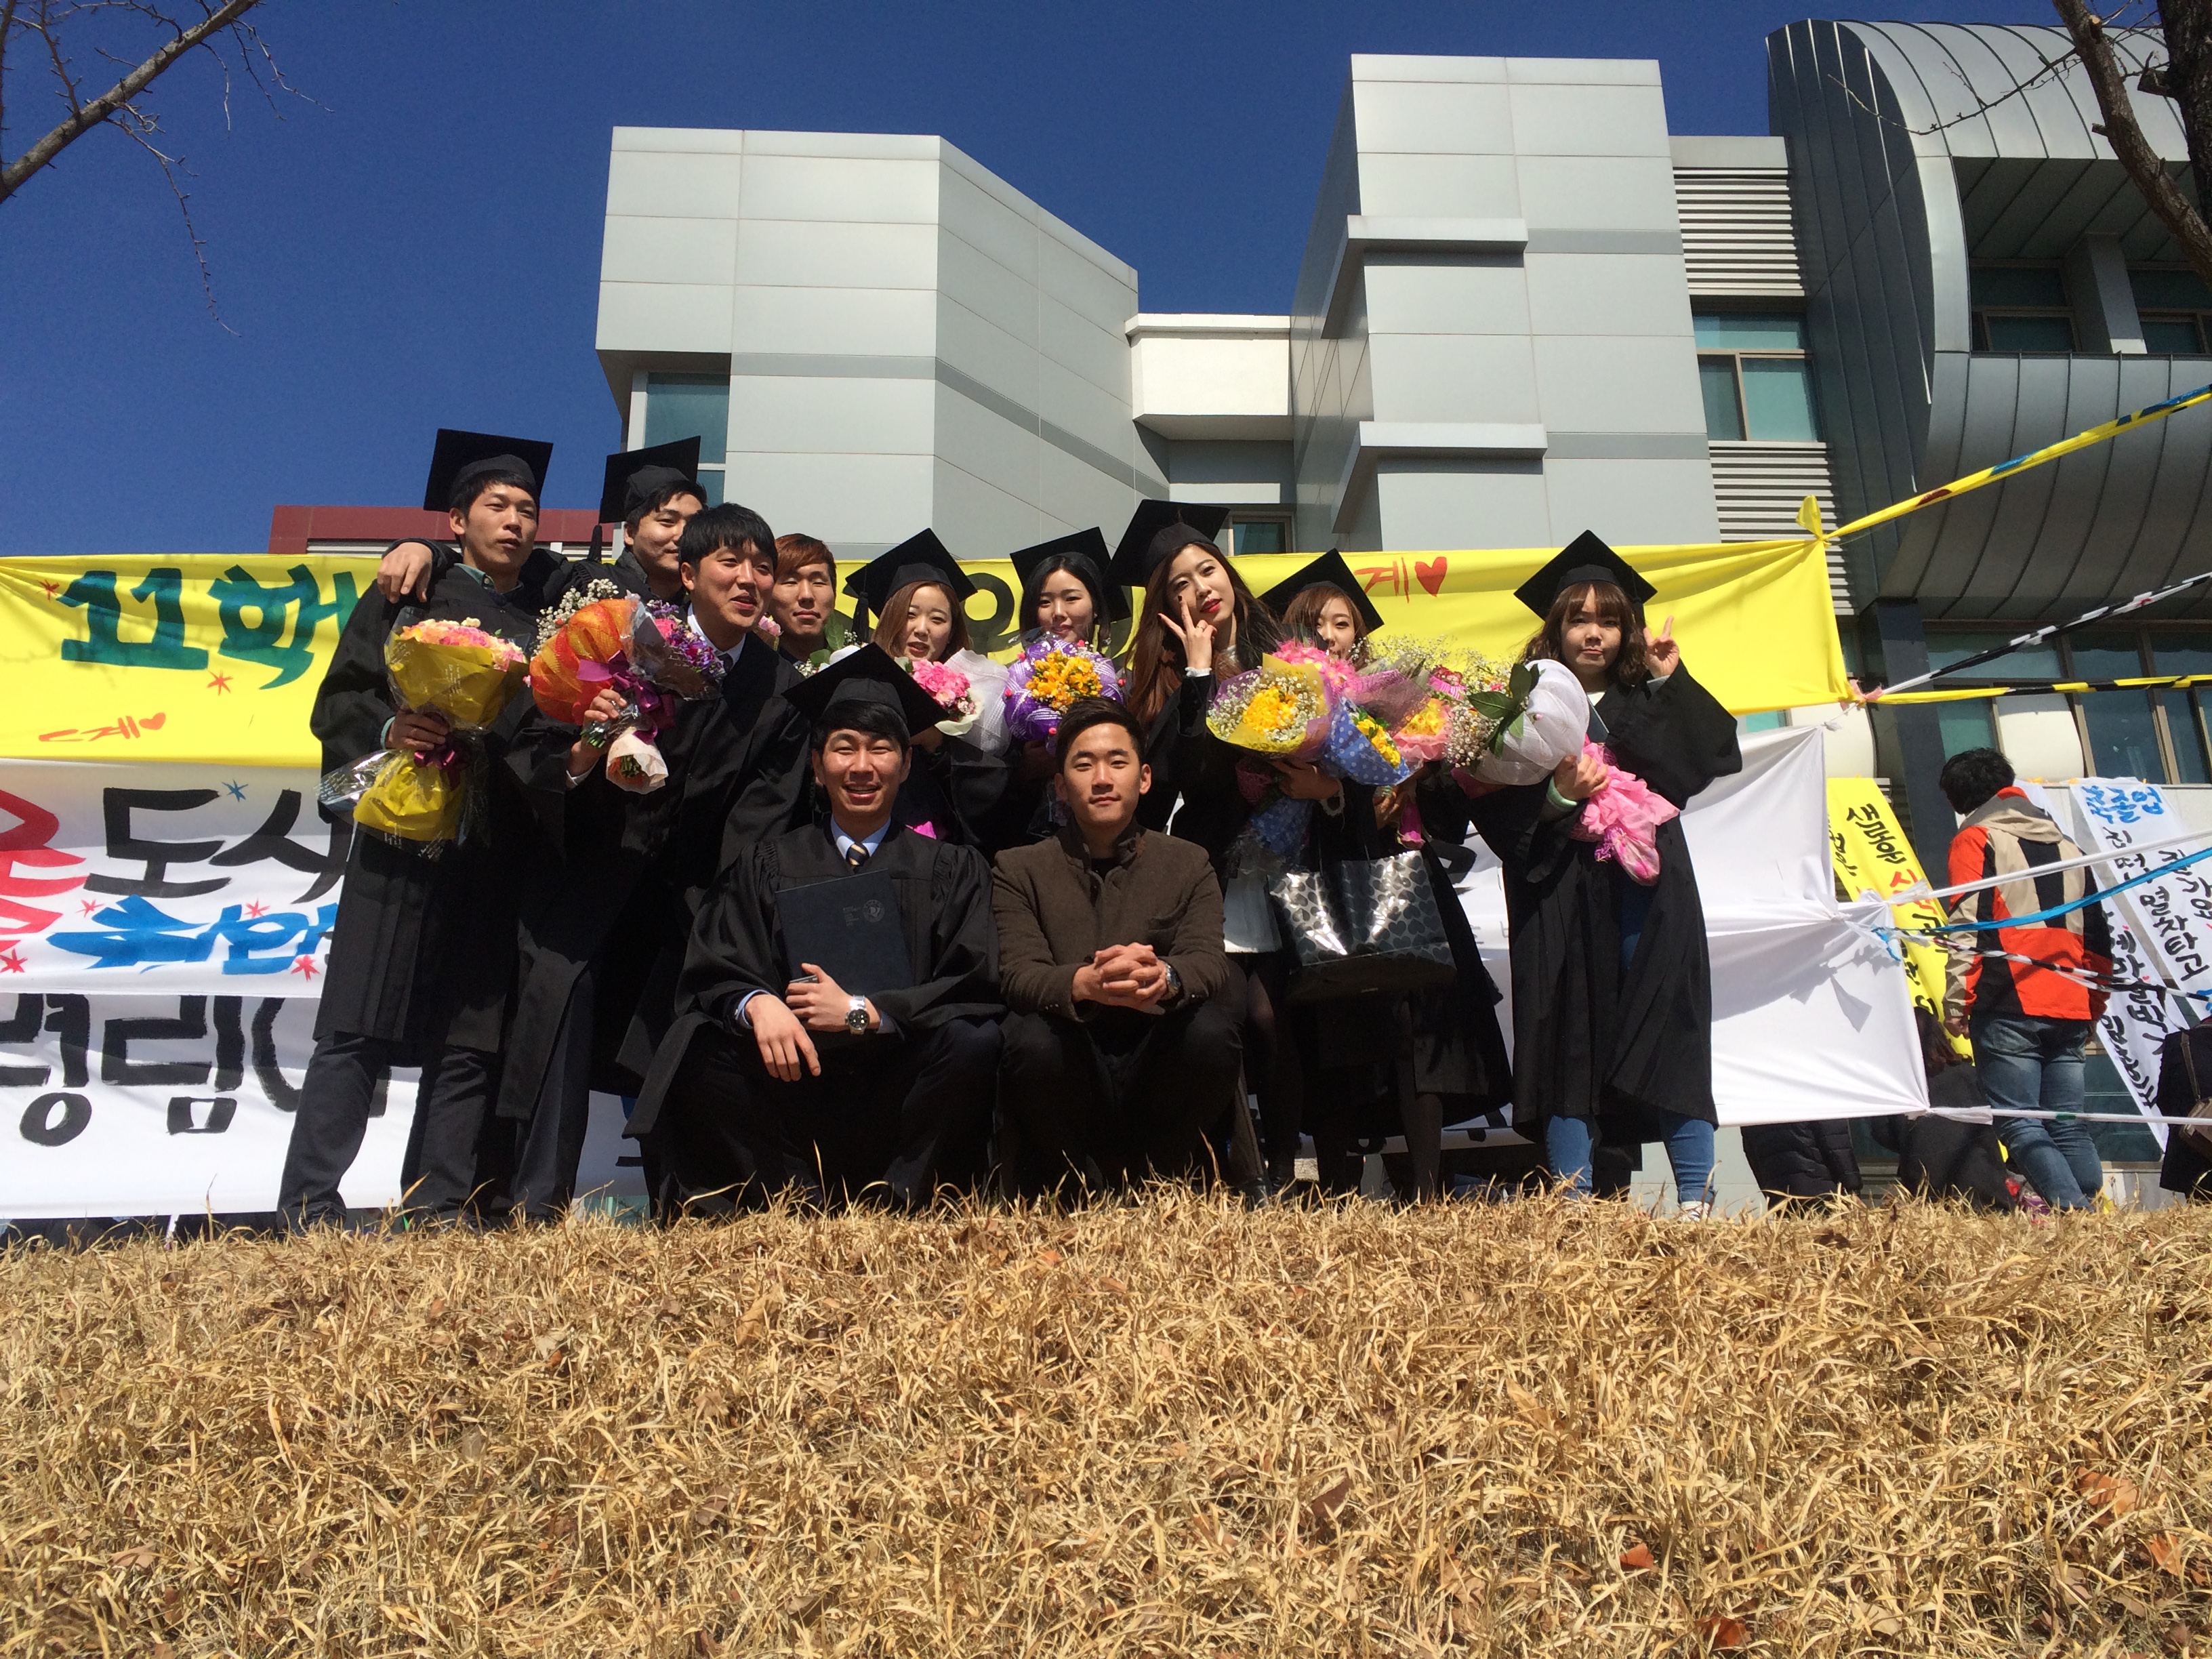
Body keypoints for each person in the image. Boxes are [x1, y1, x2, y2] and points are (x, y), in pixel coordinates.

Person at [278, 430, 583, 1227]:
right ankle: (309, 1204)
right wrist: (392, 730)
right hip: (404, 839)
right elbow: (341, 697)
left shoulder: (550, 611)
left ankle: (439, 1205)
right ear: (456, 521)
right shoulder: (410, 591)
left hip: (496, 842)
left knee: (471, 1034)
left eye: (528, 510)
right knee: (358, 1019)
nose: (515, 521)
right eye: (497, 506)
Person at [487, 501, 810, 1221]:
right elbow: (539, 747)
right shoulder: (622, 640)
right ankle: (537, 1201)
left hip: (694, 890)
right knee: (564, 999)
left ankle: (682, 1202)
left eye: (763, 567)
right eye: (730, 561)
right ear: (688, 574)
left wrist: (719, 918)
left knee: (681, 1017)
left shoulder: (782, 690)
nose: (749, 579)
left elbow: (760, 822)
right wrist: (588, 748)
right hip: (596, 868)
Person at [628, 646, 1003, 1212]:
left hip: (902, 1083)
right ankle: (792, 1196)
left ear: (906, 764)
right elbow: (716, 966)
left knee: (975, 1041)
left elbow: (972, 981)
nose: (862, 766)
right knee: (696, 1044)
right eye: (844, 748)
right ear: (817, 765)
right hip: (793, 1081)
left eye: (881, 749)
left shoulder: (950, 869)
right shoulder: (767, 864)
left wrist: (864, 1013)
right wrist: (757, 1004)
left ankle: (902, 1194)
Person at [1467, 533, 1742, 1218]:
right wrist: (1559, 796)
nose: (1595, 633)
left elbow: (1704, 760)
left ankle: (1695, 1198)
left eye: (1610, 620)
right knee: (1568, 1034)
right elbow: (1495, 809)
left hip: (1646, 888)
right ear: (1555, 629)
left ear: (1629, 631)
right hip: (1561, 886)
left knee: (1669, 1025)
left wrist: (1668, 680)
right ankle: (1574, 1200)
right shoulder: (1521, 709)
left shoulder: (1647, 695)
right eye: (1580, 618)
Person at [1260, 548, 1511, 1200]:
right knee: (1332, 1028)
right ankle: (1339, 1187)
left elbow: (1441, 803)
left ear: (1360, 635)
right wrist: (1333, 793)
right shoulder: (1277, 705)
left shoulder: (1392, 698)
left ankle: (1426, 1188)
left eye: (1341, 623)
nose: (1328, 635)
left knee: (1414, 1029)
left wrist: (1414, 776)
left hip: (1403, 879)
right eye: (1314, 623)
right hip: (1321, 882)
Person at [1116, 504, 1328, 1194]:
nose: (1200, 588)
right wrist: (1201, 673)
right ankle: (1242, 1172)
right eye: (1180, 584)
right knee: (1234, 1016)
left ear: (1230, 576)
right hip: (1216, 871)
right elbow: (1190, 775)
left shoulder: (1288, 661)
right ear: (1166, 607)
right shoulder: (1163, 684)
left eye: (1207, 570)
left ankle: (1284, 1166)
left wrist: (1322, 784)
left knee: (1280, 1020)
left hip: (1292, 868)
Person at [992, 699, 1241, 1190]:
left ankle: (1159, 1180)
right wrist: (1085, 983)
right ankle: (1076, 1183)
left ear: (1144, 778)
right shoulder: (1019, 868)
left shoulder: (1188, 861)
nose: (1102, 779)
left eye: (1117, 762)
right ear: (1060, 786)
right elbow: (1018, 973)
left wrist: (1164, 976)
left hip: (1156, 1050)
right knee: (1030, 1041)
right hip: (1073, 1053)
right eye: (1084, 765)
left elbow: (1208, 961)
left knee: (1212, 1033)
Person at [1938, 747, 2112, 1210]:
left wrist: (1956, 1003)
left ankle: (2075, 1212)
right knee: (2067, 1122)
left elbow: (1969, 926)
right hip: (2072, 1000)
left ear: (1959, 798)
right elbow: (2099, 938)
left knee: (2018, 1121)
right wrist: (2094, 1005)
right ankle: (2093, 1215)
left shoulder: (1977, 838)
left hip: (2008, 999)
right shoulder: (2070, 848)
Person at [371, 438, 704, 608]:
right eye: (667, 521)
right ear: (629, 533)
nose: (682, 535)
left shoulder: (704, 607)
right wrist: (423, 548)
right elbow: (491, 562)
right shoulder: (580, 583)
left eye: (694, 524)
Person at [966, 527, 1124, 854]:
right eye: (1044, 602)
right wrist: (1026, 769)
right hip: (1024, 840)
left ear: (1096, 606)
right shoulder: (1010, 684)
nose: (1058, 613)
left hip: (1104, 840)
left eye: (1072, 598)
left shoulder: (1120, 683)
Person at [845, 529, 1003, 846]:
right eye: (910, 615)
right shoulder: (852, 677)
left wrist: (936, 744)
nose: (922, 629)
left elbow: (990, 790)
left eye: (938, 619)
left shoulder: (974, 692)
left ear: (952, 630)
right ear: (890, 617)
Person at [768, 532, 838, 663]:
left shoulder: (859, 664)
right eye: (791, 582)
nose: (807, 595)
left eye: (818, 582)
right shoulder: (748, 667)